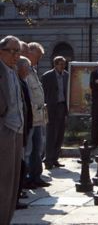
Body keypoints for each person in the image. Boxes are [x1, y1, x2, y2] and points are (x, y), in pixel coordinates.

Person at [0, 35, 25, 224]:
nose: (17, 55)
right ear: (1, 51)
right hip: (5, 130)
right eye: (13, 51)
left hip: (17, 130)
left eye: (19, 51)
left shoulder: (13, 70)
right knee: (3, 182)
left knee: (13, 182)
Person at [23, 42, 49, 188]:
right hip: (31, 116)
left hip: (38, 117)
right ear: (30, 52)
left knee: (38, 147)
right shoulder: (24, 70)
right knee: (29, 149)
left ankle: (36, 176)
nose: (38, 59)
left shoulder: (32, 70)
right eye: (37, 55)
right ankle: (26, 178)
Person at [41, 56, 68, 169]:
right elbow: (43, 93)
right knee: (51, 134)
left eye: (64, 64)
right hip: (52, 107)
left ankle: (55, 158)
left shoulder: (67, 75)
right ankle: (48, 160)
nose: (63, 66)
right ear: (55, 64)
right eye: (61, 64)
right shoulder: (47, 76)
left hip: (62, 106)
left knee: (60, 134)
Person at [16, 56, 33, 210]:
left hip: (24, 128)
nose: (28, 70)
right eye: (27, 67)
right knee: (19, 164)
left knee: (22, 163)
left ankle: (18, 193)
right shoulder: (17, 81)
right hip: (17, 129)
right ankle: (15, 195)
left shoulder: (22, 81)